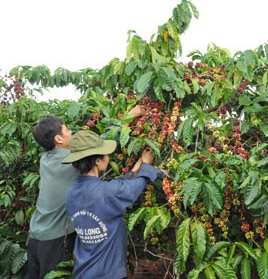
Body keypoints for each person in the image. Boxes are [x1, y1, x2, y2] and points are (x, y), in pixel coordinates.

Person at [63, 130, 165, 279]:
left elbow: (113, 190)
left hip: (82, 271)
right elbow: (132, 188)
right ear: (98, 161)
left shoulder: (71, 191)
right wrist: (147, 166)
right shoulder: (107, 192)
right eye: (105, 154)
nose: (108, 157)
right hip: (108, 273)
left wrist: (134, 171)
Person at [26, 115, 79, 279]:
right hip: (55, 240)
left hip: (35, 235)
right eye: (67, 130)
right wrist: (126, 120)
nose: (71, 133)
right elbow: (99, 146)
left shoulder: (45, 159)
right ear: (58, 139)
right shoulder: (71, 161)